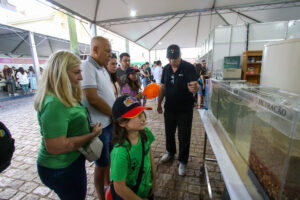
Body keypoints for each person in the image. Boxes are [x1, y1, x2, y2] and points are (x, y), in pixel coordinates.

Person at [34, 51, 103, 200]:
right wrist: (91, 135)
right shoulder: (54, 103)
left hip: (70, 163)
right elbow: (56, 146)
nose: (81, 77)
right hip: (61, 168)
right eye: (76, 72)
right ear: (60, 74)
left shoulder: (64, 95)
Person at [81, 36, 115, 200]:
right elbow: (92, 98)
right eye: (107, 51)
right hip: (100, 126)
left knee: (107, 159)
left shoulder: (101, 68)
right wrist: (113, 113)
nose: (110, 54)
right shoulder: (87, 66)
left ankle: (108, 186)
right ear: (95, 50)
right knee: (101, 164)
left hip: (109, 123)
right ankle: (101, 196)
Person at [157, 44, 199, 176]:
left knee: (183, 135)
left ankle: (182, 161)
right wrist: (159, 103)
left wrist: (195, 88)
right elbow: (163, 87)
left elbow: (195, 85)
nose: (172, 61)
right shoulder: (166, 69)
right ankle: (170, 152)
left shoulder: (189, 67)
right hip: (169, 108)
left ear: (180, 56)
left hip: (185, 109)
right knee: (169, 132)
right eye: (169, 58)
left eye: (174, 58)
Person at [110, 96, 155, 200]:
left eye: (142, 112)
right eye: (137, 115)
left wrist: (154, 180)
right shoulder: (120, 152)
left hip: (146, 188)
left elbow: (149, 154)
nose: (143, 117)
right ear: (122, 122)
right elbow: (119, 188)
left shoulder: (146, 133)